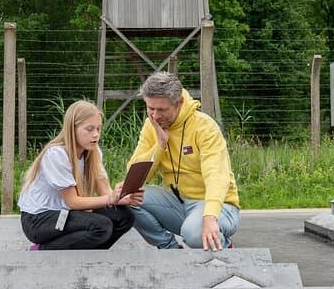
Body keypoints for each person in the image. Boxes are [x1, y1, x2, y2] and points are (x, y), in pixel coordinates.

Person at [126, 72, 240, 251]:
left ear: (179, 103)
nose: (155, 116)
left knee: (194, 234)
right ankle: (171, 250)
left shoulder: (204, 127)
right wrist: (160, 145)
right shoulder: (151, 125)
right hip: (178, 202)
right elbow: (133, 177)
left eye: (162, 110)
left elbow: (217, 176)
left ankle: (224, 247)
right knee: (128, 198)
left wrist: (209, 216)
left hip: (218, 205)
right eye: (150, 108)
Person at [18, 100, 142, 250]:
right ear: (73, 129)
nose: (96, 134)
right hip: (39, 220)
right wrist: (110, 198)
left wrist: (123, 197)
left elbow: (105, 193)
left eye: (98, 128)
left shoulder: (94, 153)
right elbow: (73, 202)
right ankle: (43, 249)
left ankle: (89, 255)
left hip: (66, 213)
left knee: (124, 217)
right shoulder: (56, 154)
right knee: (101, 227)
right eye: (89, 129)